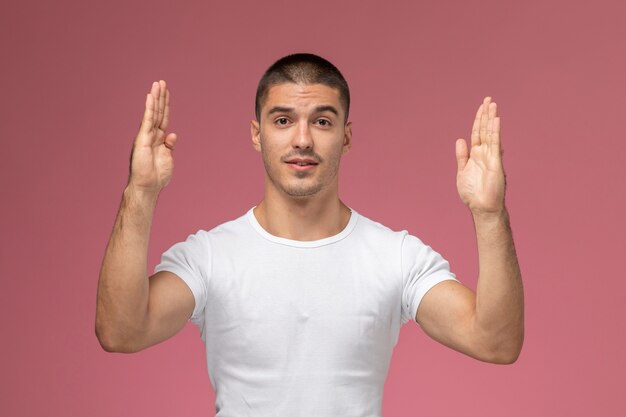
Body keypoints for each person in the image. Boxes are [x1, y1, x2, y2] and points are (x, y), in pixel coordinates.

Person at [96, 53, 524, 415]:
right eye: (283, 120)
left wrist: (489, 215)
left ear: (346, 136)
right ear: (256, 134)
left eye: (322, 121)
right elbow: (121, 332)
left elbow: (495, 342)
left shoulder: (396, 257)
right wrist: (141, 192)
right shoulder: (209, 256)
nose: (302, 139)